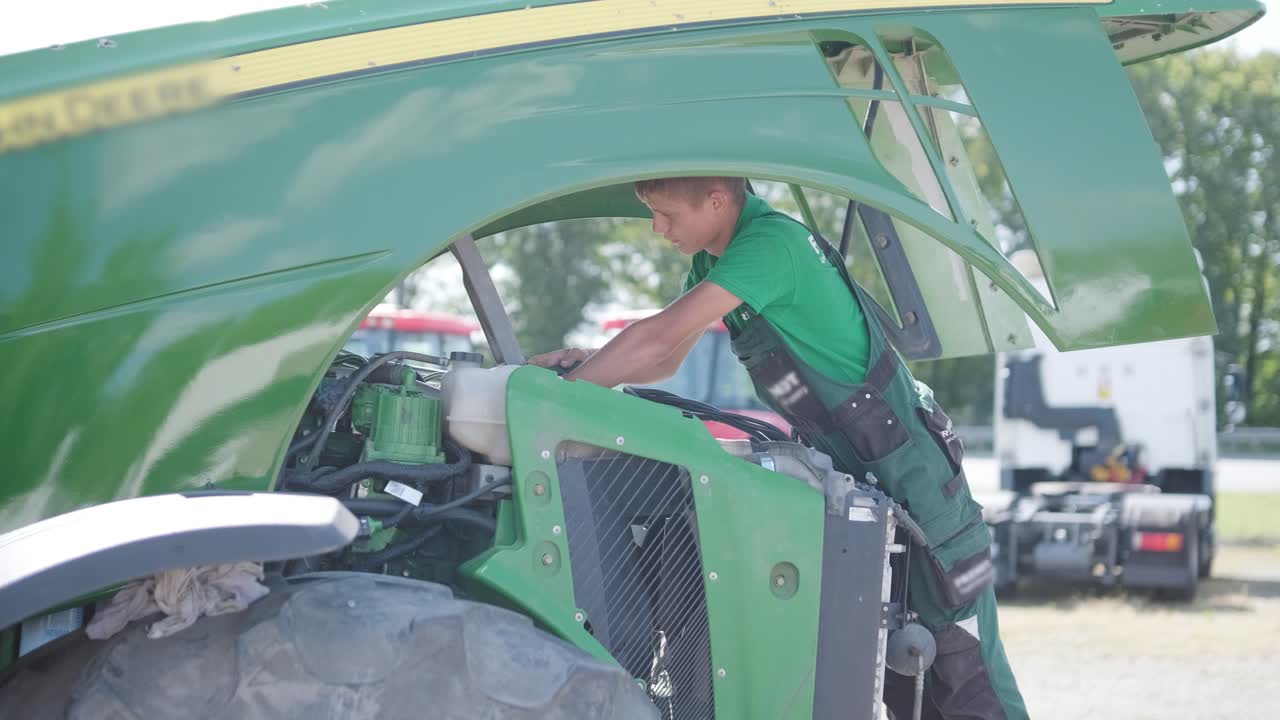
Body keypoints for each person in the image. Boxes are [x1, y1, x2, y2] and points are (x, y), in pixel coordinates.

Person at [530, 176, 1027, 720]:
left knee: (962, 667)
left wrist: (550, 400)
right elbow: (666, 359)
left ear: (718, 201)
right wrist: (587, 366)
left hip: (920, 486)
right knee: (892, 673)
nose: (658, 228)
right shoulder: (714, 262)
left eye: (667, 214)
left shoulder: (772, 246)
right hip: (862, 486)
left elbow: (656, 337)